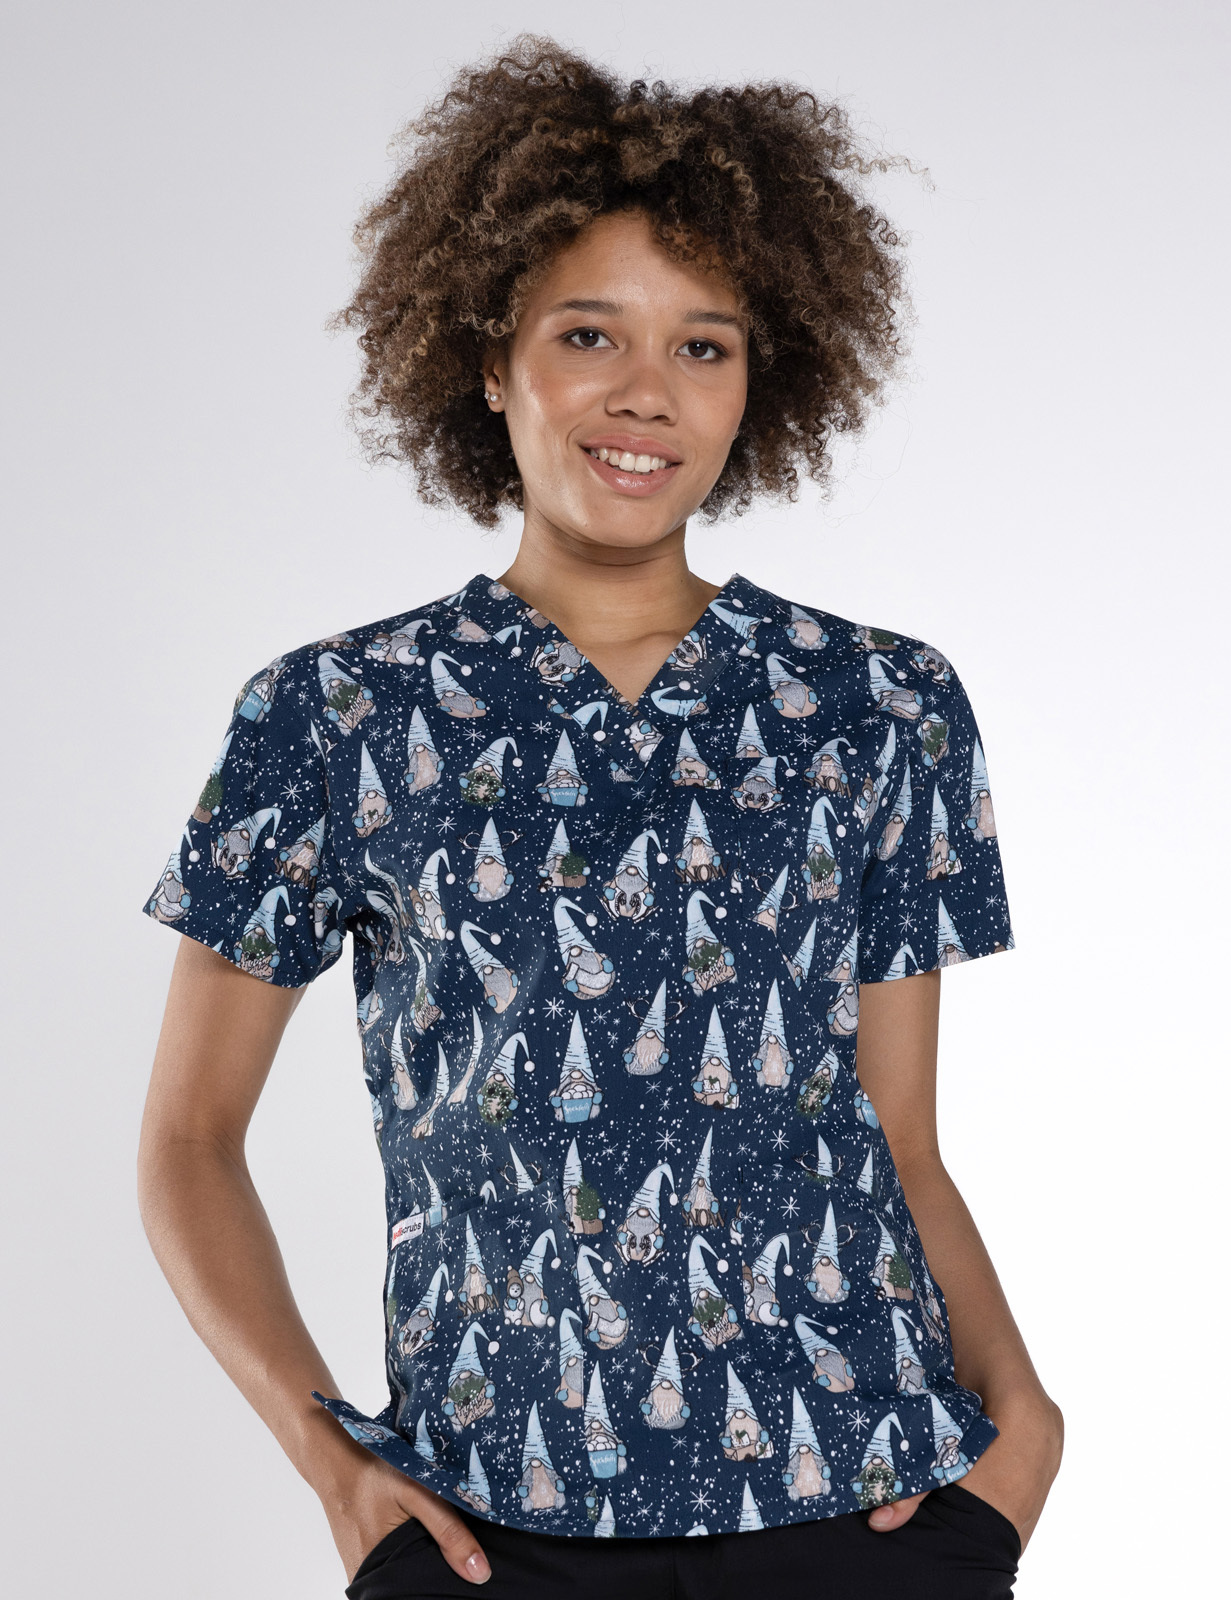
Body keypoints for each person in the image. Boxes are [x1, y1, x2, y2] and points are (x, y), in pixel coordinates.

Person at [137, 36, 1062, 1600]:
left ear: (762, 382)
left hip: (867, 1514)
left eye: (705, 345)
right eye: (588, 333)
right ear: (489, 359)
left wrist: (1022, 1425)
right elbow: (186, 1139)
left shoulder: (881, 703)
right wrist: (332, 1461)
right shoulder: (334, 714)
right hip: (488, 1530)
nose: (647, 393)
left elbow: (899, 1138)